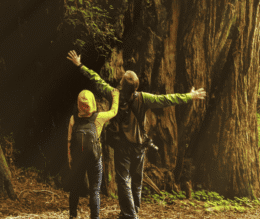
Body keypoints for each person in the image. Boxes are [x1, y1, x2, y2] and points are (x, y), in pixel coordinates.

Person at [67, 50, 206, 219]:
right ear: (136, 87)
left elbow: (96, 79)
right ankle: (132, 211)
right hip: (139, 146)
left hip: (122, 146)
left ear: (121, 83)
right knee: (136, 182)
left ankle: (130, 214)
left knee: (123, 180)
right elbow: (167, 99)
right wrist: (190, 96)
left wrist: (80, 65)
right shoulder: (144, 98)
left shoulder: (114, 94)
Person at [67, 76, 119, 219]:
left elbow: (69, 141)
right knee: (95, 190)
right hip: (94, 159)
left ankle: (72, 215)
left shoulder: (73, 119)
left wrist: (70, 158)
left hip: (78, 158)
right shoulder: (98, 117)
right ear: (92, 102)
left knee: (75, 189)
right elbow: (114, 111)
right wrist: (115, 96)